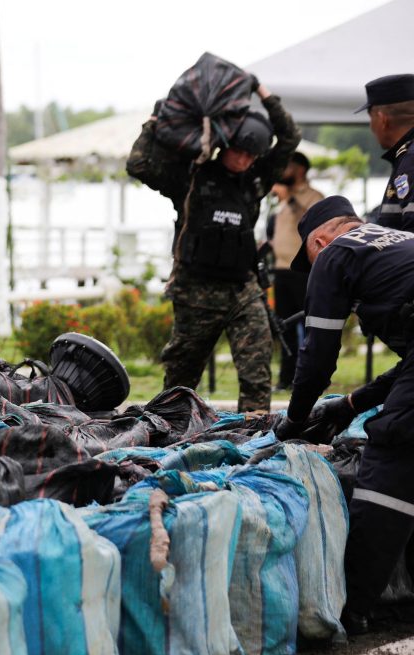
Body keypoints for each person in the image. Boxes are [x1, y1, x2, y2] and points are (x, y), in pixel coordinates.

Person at [272, 195, 414, 635]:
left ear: (318, 241)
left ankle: (353, 605)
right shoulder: (400, 242)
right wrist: (350, 404)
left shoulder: (336, 254)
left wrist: (294, 421)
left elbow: (317, 360)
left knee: (391, 456)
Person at [127, 77, 301, 412]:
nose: (245, 160)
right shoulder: (191, 177)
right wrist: (153, 122)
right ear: (226, 145)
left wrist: (262, 93)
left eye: (252, 154)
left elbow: (290, 136)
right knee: (180, 380)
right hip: (195, 292)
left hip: (242, 289)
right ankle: (170, 428)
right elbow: (139, 164)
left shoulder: (255, 180)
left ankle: (254, 431)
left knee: (257, 370)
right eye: (240, 151)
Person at [267, 152, 324, 389]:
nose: (282, 171)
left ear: (300, 170)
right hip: (280, 271)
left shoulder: (314, 197)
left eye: (287, 167)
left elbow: (313, 225)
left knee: (311, 326)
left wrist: (290, 199)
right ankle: (286, 379)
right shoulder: (281, 199)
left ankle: (313, 377)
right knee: (285, 328)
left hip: (303, 271)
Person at [358, 74, 414, 231]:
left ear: (382, 119)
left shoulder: (411, 159)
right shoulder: (406, 156)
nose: (371, 127)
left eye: (371, 119)